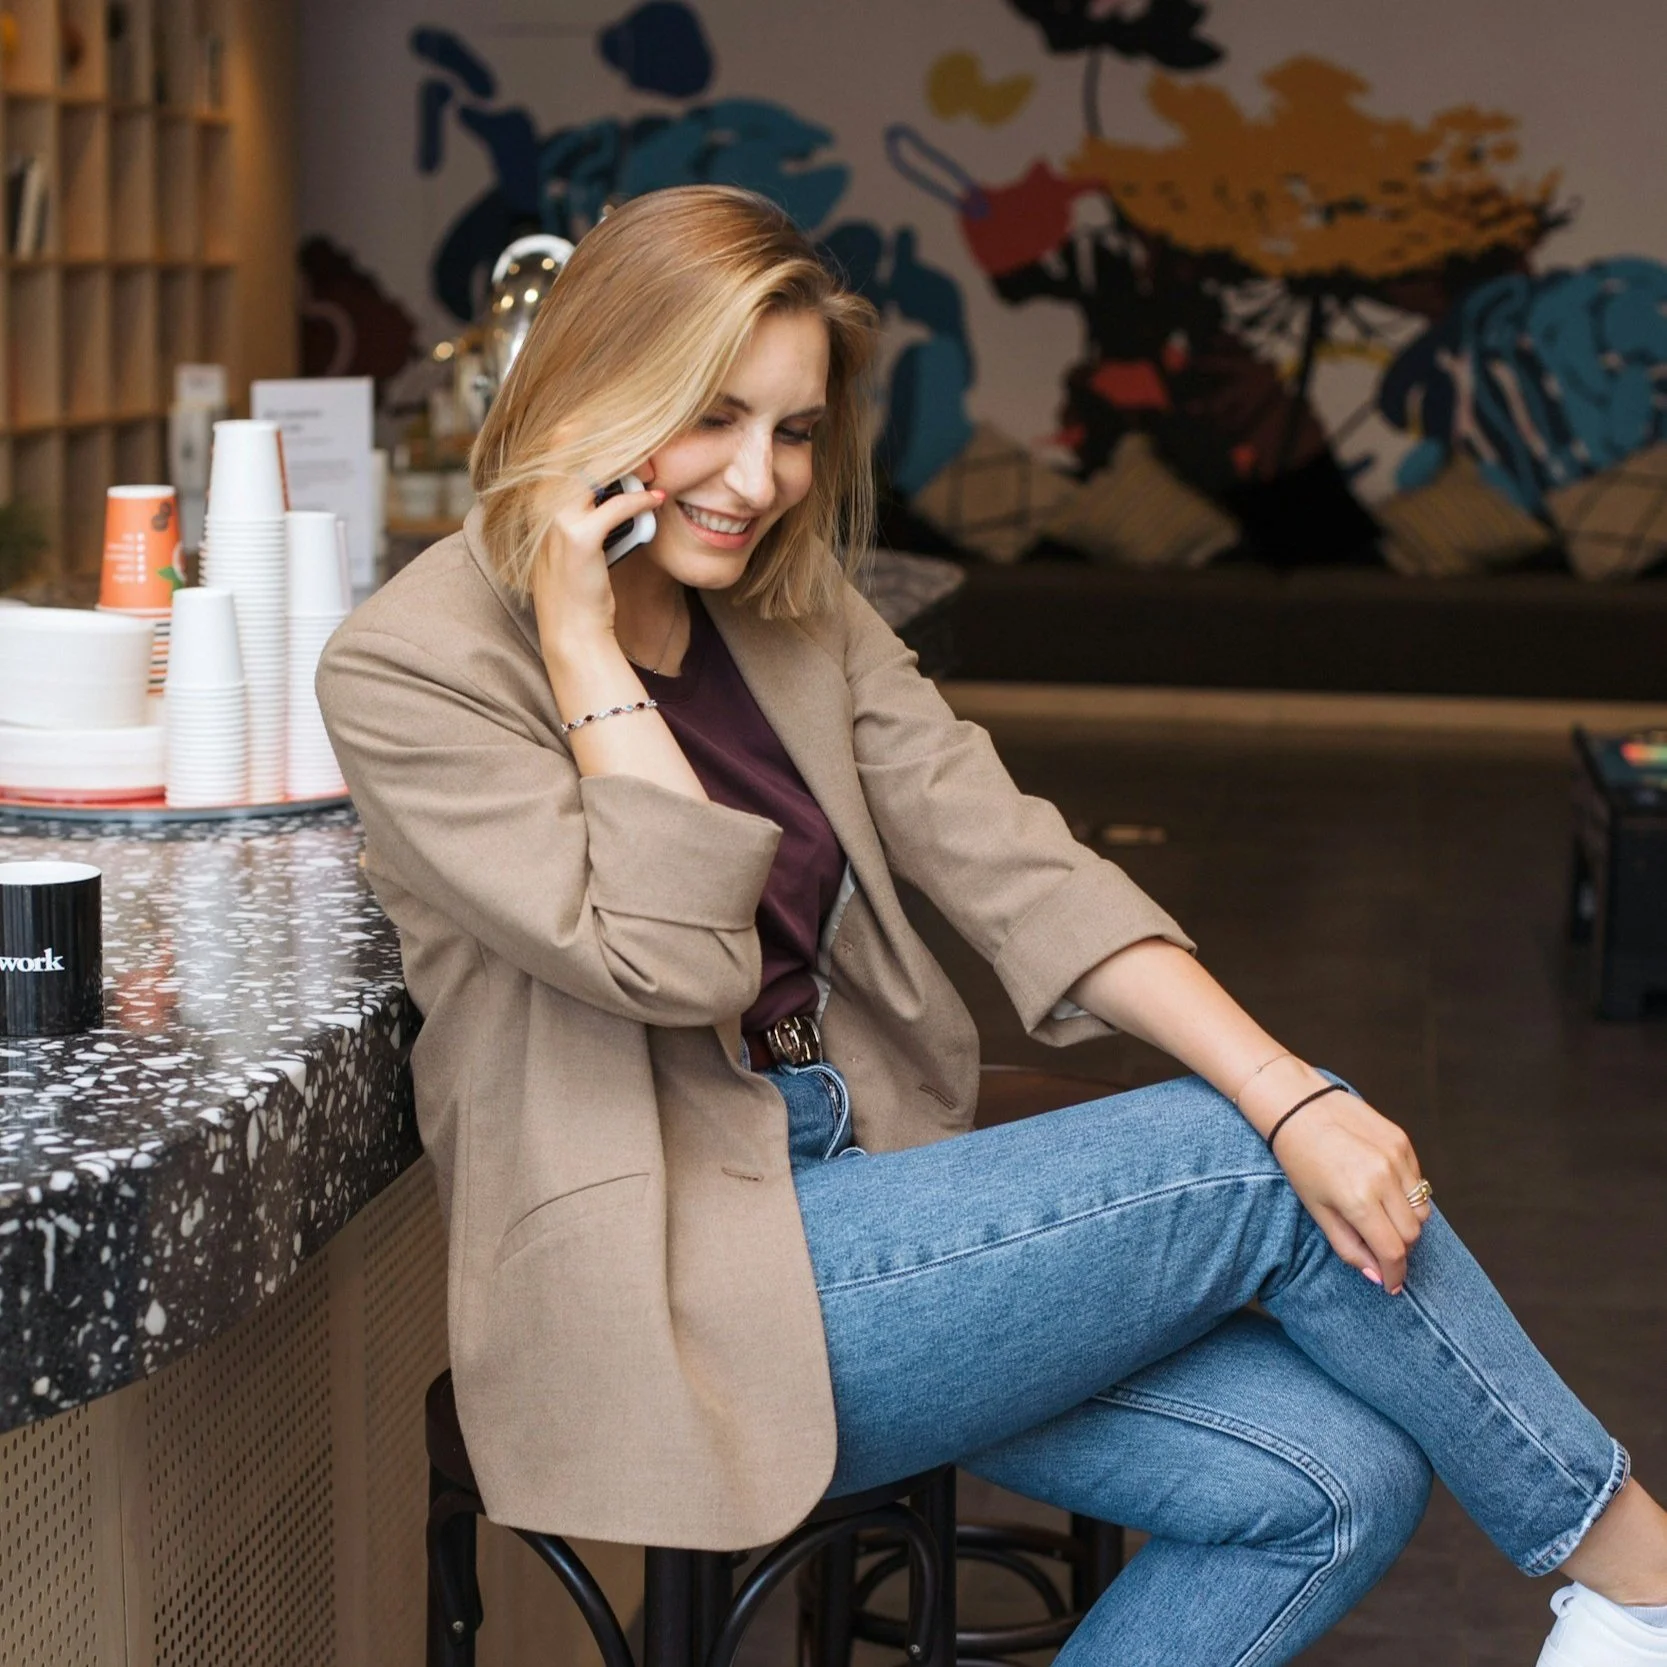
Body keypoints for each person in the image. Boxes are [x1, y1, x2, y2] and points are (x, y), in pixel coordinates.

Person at [317, 185, 1667, 1666]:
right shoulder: (414, 666)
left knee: (1336, 1482)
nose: (755, 479)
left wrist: (1289, 1083)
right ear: (594, 385)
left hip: (857, 1186)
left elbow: (1012, 854)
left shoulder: (787, 597)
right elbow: (672, 960)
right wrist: (582, 644)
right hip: (667, 1270)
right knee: (1249, 1152)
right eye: (710, 417)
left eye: (792, 429)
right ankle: (1640, 1576)